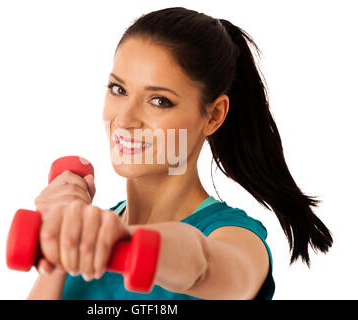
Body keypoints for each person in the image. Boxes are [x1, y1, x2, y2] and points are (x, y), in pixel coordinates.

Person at [27, 7, 333, 300]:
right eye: (118, 90)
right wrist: (56, 248)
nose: (124, 120)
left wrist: (124, 244)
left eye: (160, 101)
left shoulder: (237, 239)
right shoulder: (85, 234)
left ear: (213, 115)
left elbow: (200, 264)